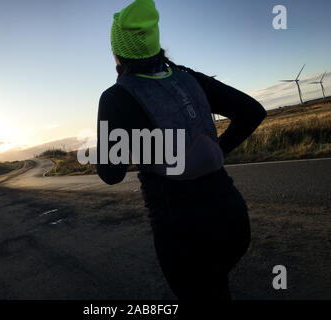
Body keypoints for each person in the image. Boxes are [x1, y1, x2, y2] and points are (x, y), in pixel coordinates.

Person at [97, 0, 267, 300]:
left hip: (183, 236)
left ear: (117, 52)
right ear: (154, 44)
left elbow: (111, 174)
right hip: (233, 220)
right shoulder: (188, 78)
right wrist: (217, 150)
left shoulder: (116, 98)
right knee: (216, 287)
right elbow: (253, 112)